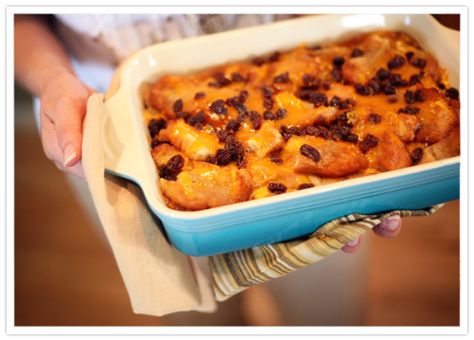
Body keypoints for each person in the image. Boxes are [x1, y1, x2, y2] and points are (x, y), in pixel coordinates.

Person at [14, 14, 402, 325]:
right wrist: (53, 80)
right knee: (197, 319)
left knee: (326, 311)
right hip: (109, 132)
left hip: (289, 72)